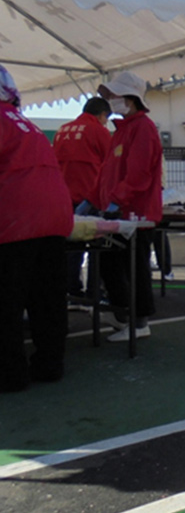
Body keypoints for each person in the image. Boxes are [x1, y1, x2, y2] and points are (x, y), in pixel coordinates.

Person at [0, 64, 74, 391]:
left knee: (7, 302)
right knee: (47, 298)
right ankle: (49, 364)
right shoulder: (24, 123)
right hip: (54, 216)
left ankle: (10, 375)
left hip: (16, 218)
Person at [96, 71, 164, 342]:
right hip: (118, 213)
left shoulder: (143, 128)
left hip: (136, 214)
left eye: (114, 95)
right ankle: (125, 315)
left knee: (134, 268)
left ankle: (140, 321)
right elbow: (108, 173)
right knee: (112, 265)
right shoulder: (122, 130)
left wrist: (115, 200)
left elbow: (138, 174)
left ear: (131, 98)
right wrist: (96, 200)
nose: (110, 100)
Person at [53, 97, 113, 303]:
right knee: (98, 246)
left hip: (64, 197)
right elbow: (112, 163)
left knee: (70, 247)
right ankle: (94, 293)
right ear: (103, 114)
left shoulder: (62, 130)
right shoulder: (98, 131)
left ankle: (71, 292)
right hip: (91, 198)